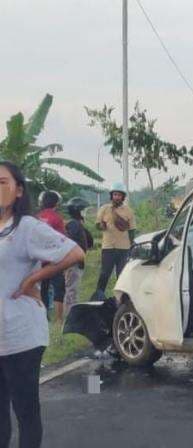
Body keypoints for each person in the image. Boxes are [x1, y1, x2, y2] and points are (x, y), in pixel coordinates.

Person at [0, 161, 85, 448]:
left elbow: (74, 252)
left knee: (25, 412)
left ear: (19, 190)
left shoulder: (27, 227)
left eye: (2, 182)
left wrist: (33, 279)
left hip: (21, 334)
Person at [93, 182, 136, 300]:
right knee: (105, 273)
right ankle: (98, 296)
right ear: (111, 196)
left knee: (121, 274)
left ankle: (122, 298)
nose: (116, 197)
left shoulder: (128, 211)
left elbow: (132, 230)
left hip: (124, 248)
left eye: (119, 195)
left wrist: (132, 245)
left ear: (123, 197)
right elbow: (97, 225)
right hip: (108, 247)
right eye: (115, 195)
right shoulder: (104, 209)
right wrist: (101, 226)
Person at [37, 190, 67, 321]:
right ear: (56, 203)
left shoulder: (37, 217)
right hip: (54, 259)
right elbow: (62, 239)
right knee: (59, 288)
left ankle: (43, 317)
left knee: (42, 289)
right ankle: (59, 320)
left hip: (39, 260)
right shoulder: (57, 218)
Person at [64, 197, 93, 315]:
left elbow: (89, 241)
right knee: (72, 290)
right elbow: (72, 243)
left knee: (74, 288)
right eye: (83, 210)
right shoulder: (73, 225)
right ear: (77, 211)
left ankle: (72, 313)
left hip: (77, 262)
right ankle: (70, 316)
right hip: (73, 262)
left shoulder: (77, 224)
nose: (84, 213)